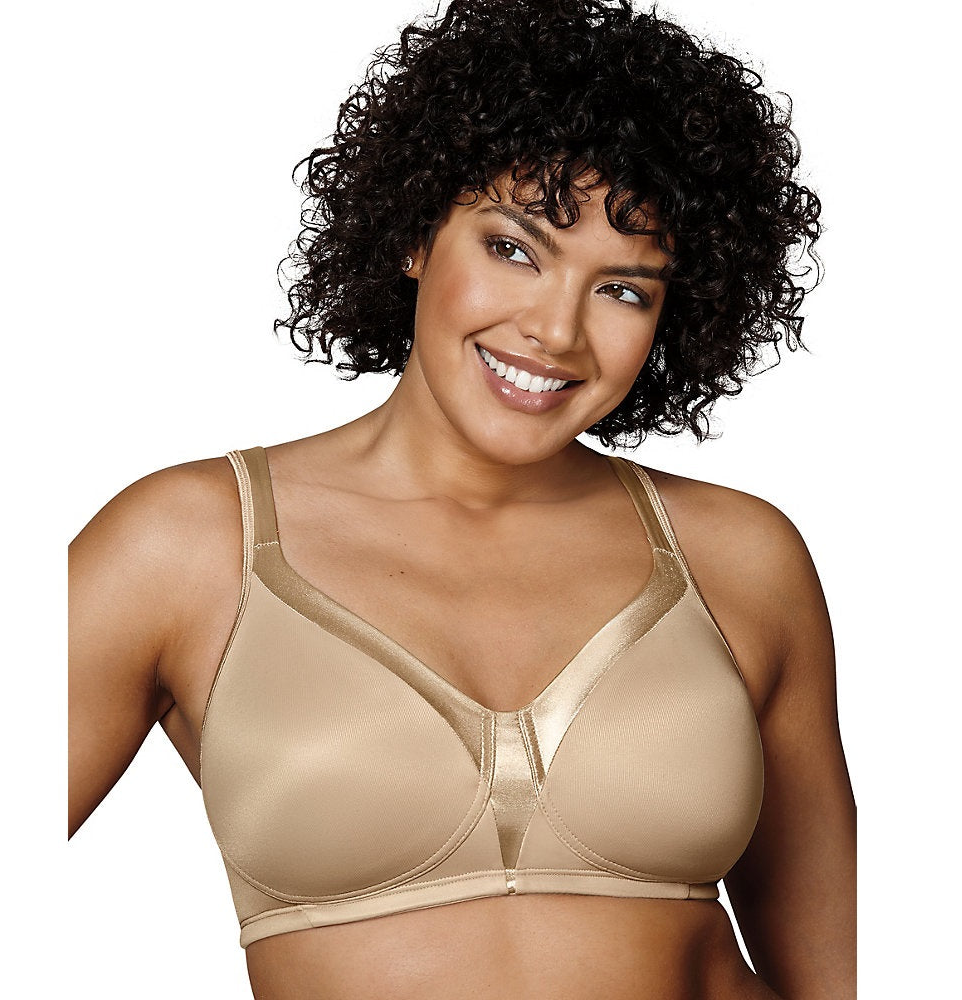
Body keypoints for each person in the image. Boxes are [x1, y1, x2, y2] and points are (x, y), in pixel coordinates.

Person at [68, 1, 856, 997]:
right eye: (513, 249)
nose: (556, 331)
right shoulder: (183, 546)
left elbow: (841, 970)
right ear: (414, 234)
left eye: (623, 289)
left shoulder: (739, 555)